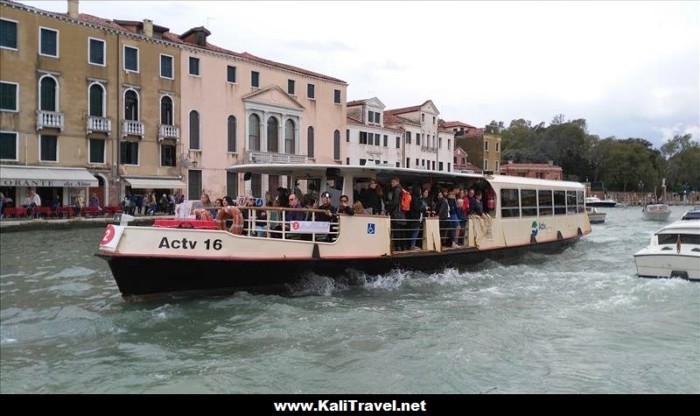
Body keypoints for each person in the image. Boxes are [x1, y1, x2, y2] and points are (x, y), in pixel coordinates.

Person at [385, 177, 407, 251]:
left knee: (397, 231)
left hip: (396, 213)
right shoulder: (402, 189)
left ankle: (398, 246)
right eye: (391, 182)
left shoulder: (396, 190)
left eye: (393, 182)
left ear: (397, 182)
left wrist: (387, 208)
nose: (392, 183)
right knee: (402, 231)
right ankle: (403, 246)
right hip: (402, 213)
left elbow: (395, 202)